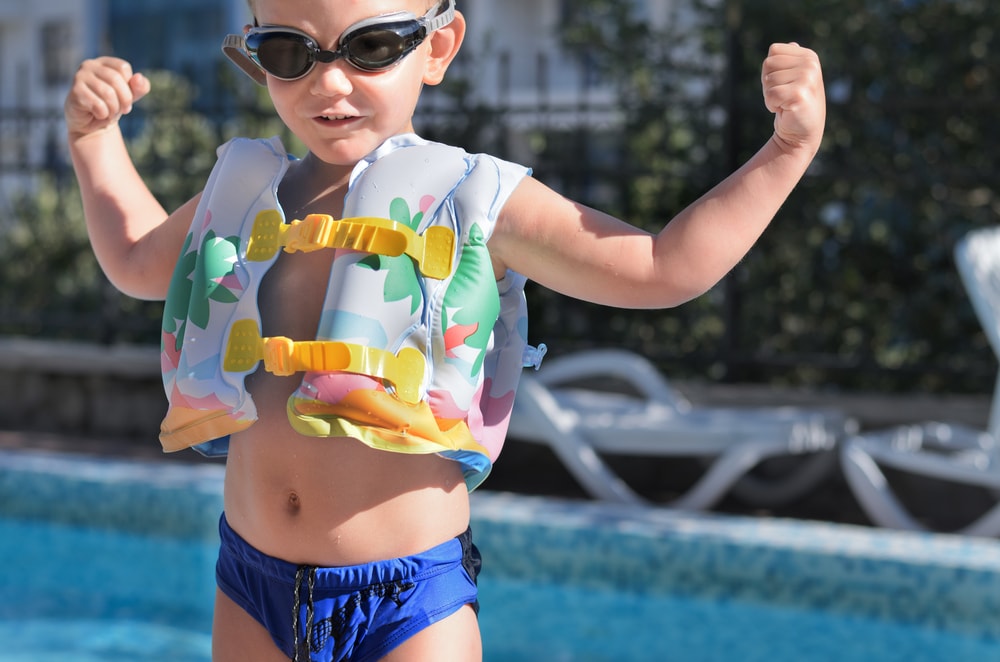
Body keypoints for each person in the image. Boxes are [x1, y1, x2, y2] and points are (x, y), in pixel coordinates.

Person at [63, 0, 825, 659]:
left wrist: (787, 150)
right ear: (258, 52)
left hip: (407, 599)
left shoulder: (476, 199)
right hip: (251, 580)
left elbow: (662, 266)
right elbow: (136, 259)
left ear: (438, 46)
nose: (330, 83)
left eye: (369, 47)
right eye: (291, 52)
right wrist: (95, 141)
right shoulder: (247, 195)